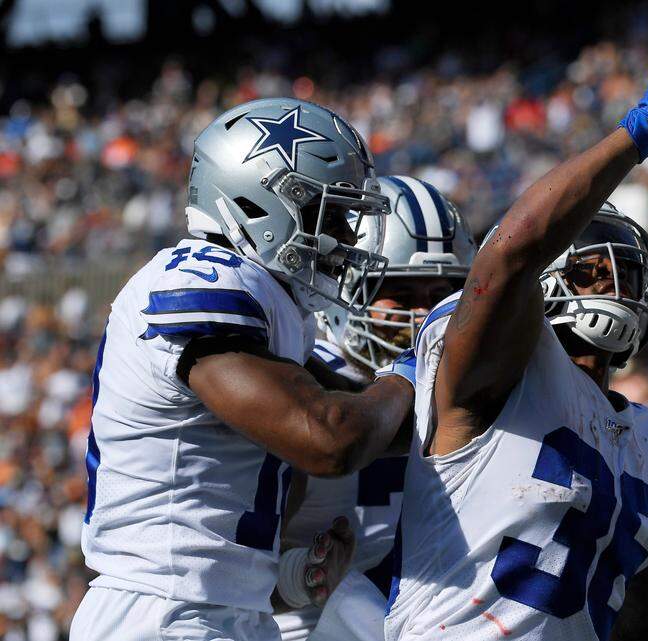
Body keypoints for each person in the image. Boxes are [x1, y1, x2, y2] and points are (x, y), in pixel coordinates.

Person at [385, 23, 648, 641]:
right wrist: (637, 134)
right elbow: (510, 254)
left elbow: (647, 613)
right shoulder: (506, 366)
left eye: (627, 272)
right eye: (595, 270)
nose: (616, 284)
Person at [72, 98, 415, 641]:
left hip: (214, 614)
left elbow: (369, 419)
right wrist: (411, 373)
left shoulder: (265, 299)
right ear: (258, 202)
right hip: (164, 617)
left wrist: (290, 581)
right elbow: (330, 438)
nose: (347, 239)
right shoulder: (202, 282)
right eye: (329, 215)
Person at [273, 175, 476, 641]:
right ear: (343, 290)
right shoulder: (299, 383)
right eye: (401, 295)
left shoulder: (454, 391)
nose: (425, 316)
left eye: (440, 295)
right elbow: (231, 568)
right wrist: (300, 575)